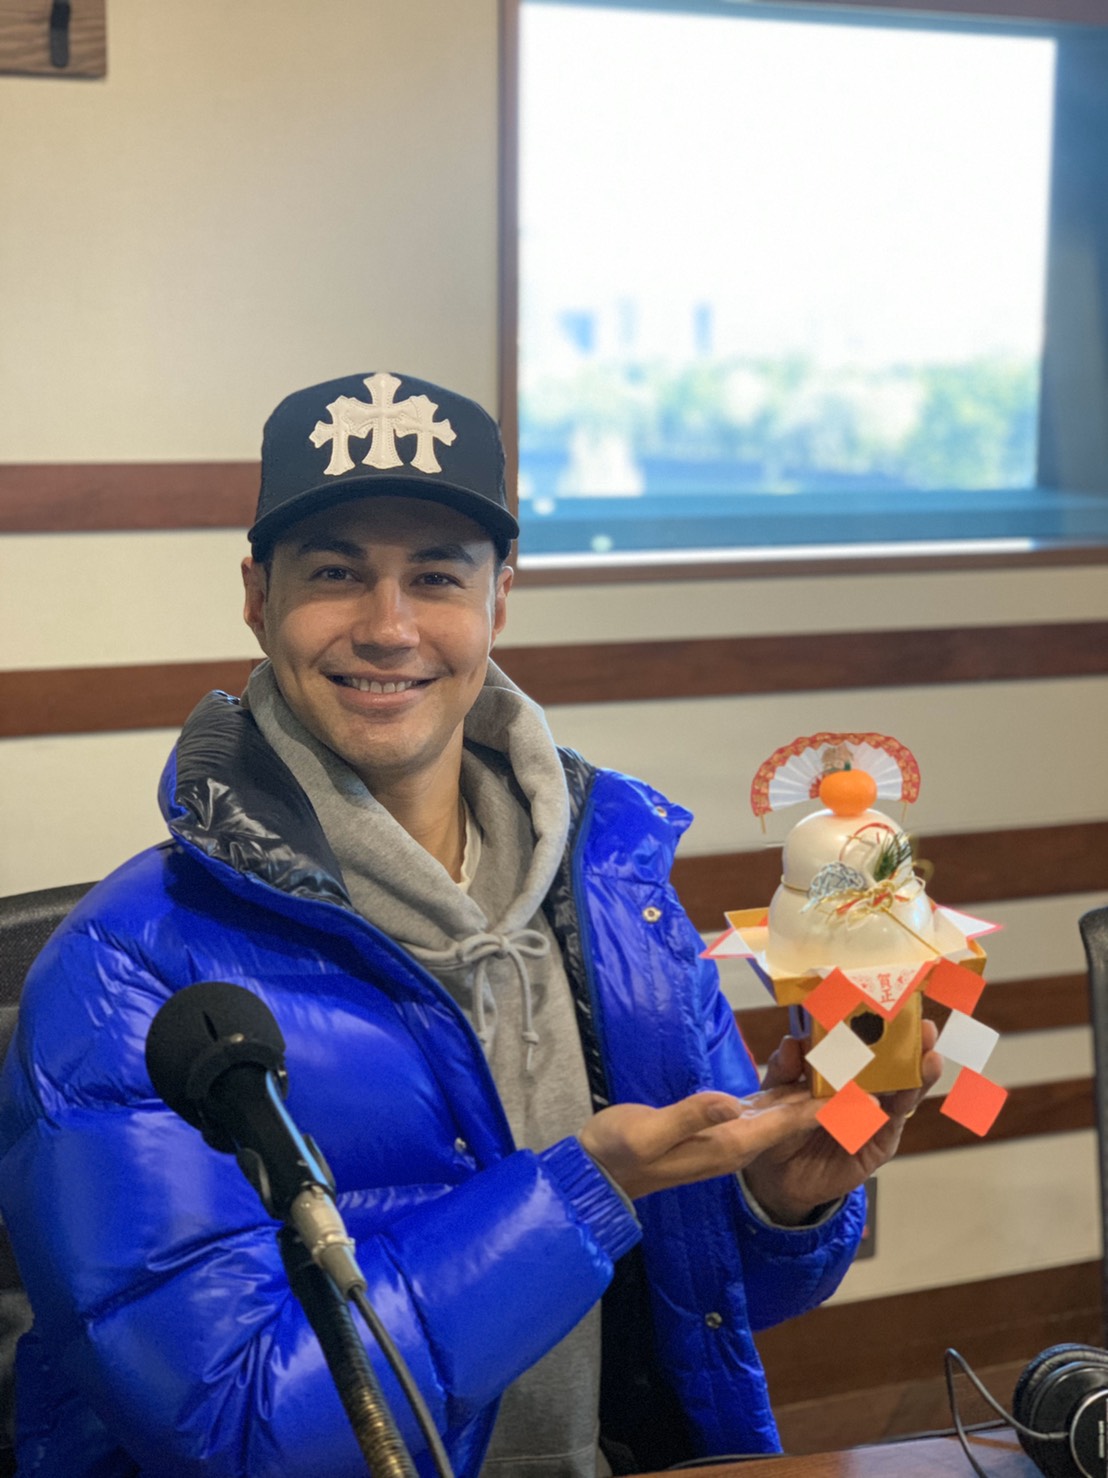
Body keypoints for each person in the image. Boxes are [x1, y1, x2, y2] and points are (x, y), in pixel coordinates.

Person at [0, 371, 939, 1478]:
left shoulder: (615, 898)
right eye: (336, 573)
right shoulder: (126, 971)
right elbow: (237, 1429)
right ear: (256, 596)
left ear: (499, 600)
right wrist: (581, 1191)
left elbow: (712, 1303)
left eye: (436, 575)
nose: (388, 626)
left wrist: (782, 1201)